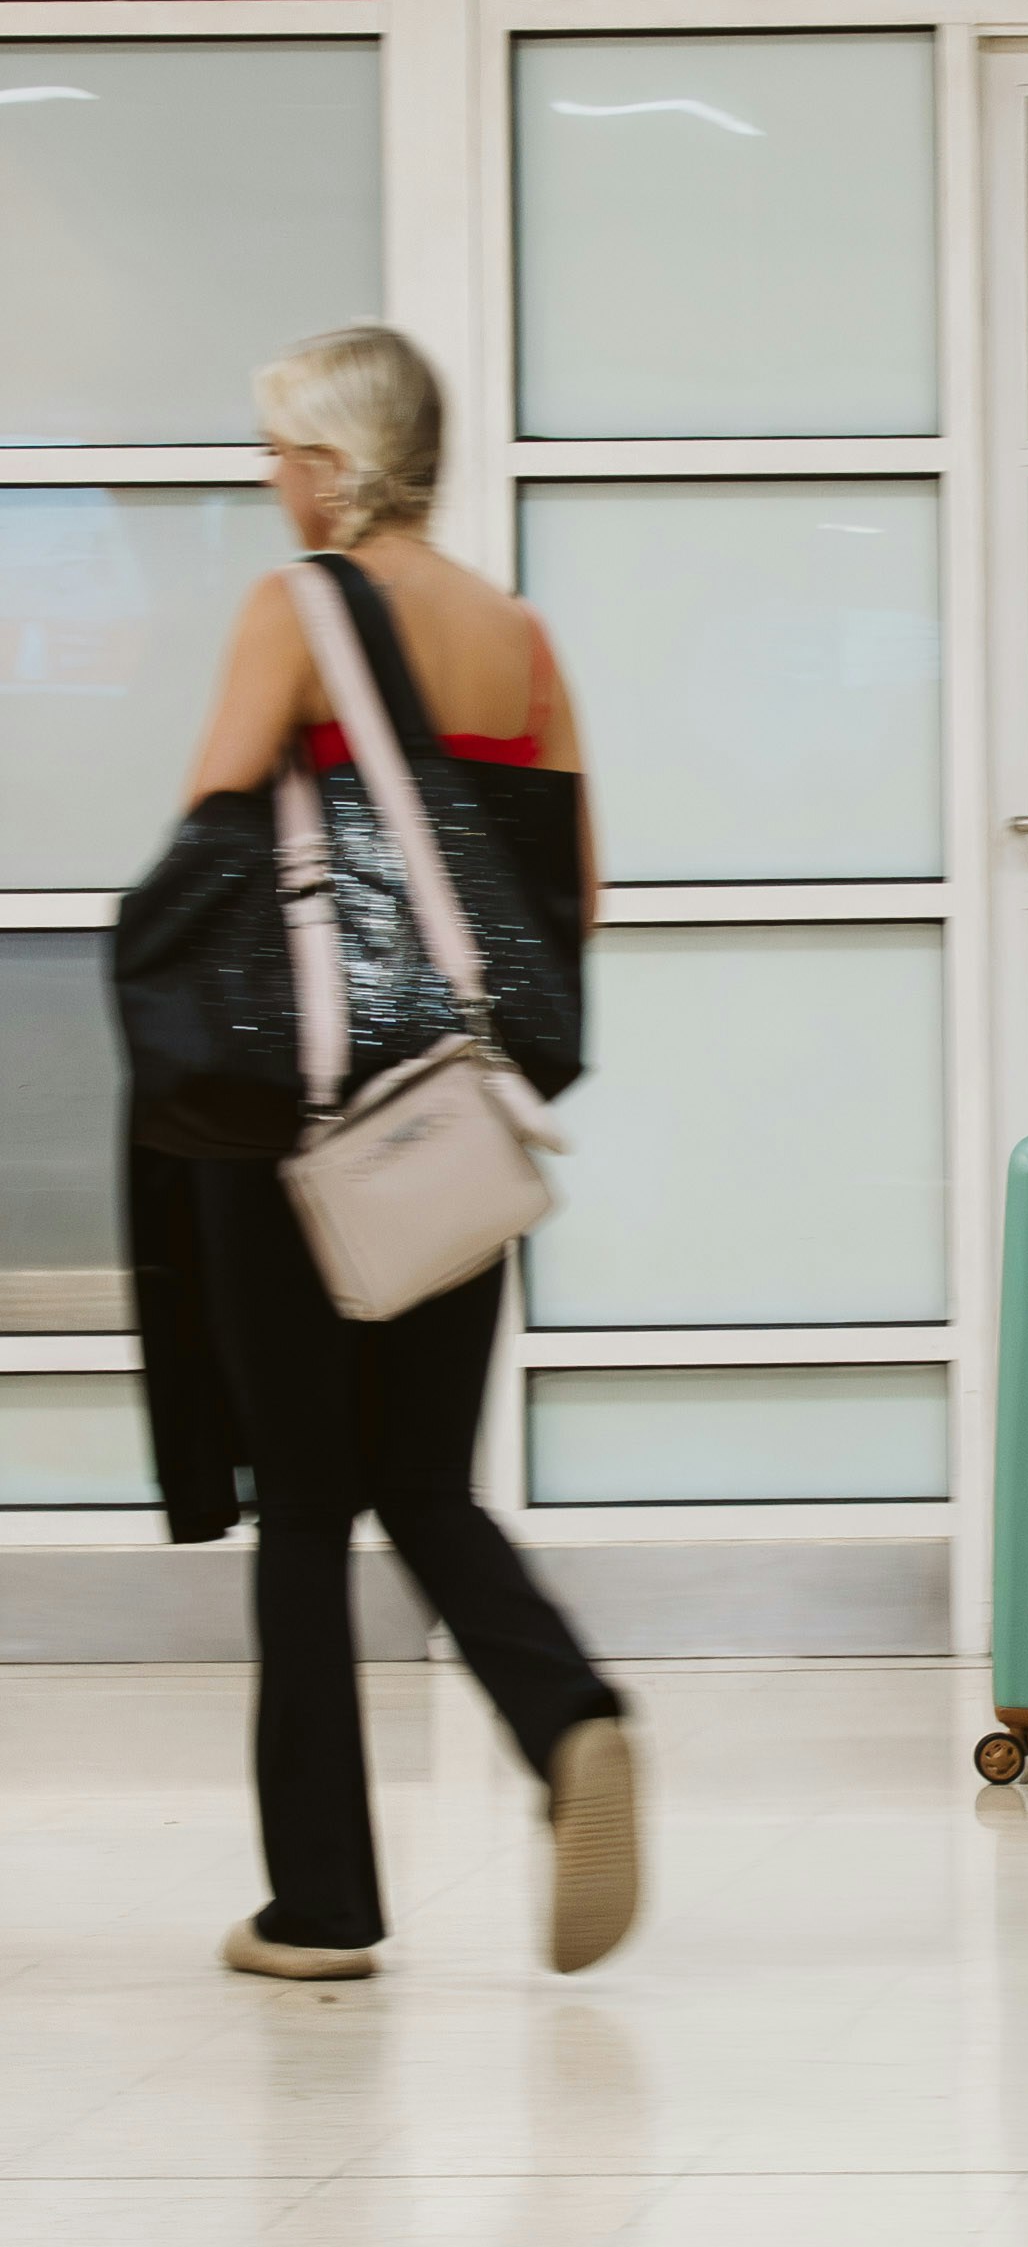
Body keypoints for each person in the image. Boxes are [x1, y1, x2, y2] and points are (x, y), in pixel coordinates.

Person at [178, 323, 638, 1981]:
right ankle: (569, 1714)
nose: (269, 477)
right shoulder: (520, 639)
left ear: (332, 460)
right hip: (457, 1123)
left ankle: (321, 1905)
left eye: (278, 448)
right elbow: (574, 900)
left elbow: (212, 845)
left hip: (300, 1131)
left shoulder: (295, 608)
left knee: (305, 1504)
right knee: (426, 1476)